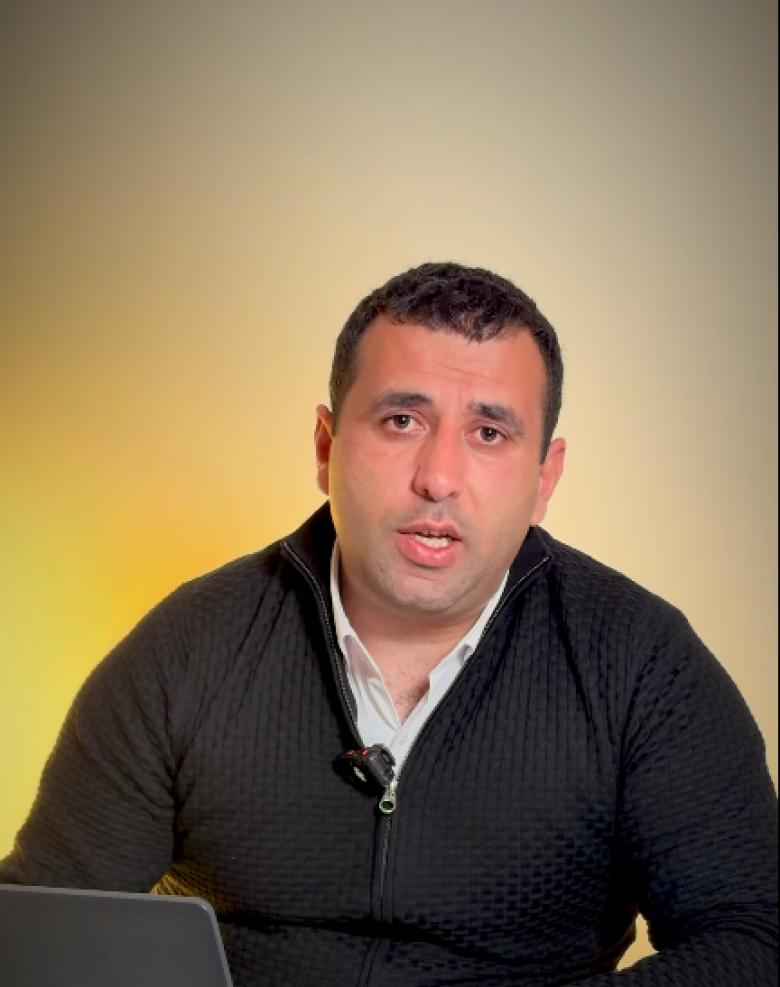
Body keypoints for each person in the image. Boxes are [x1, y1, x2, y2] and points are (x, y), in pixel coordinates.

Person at [0, 263, 776, 986]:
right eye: (402, 419)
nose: (438, 477)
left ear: (544, 477)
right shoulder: (186, 649)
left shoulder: (642, 665)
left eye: (489, 432)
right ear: (326, 446)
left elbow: (755, 936)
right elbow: (40, 925)